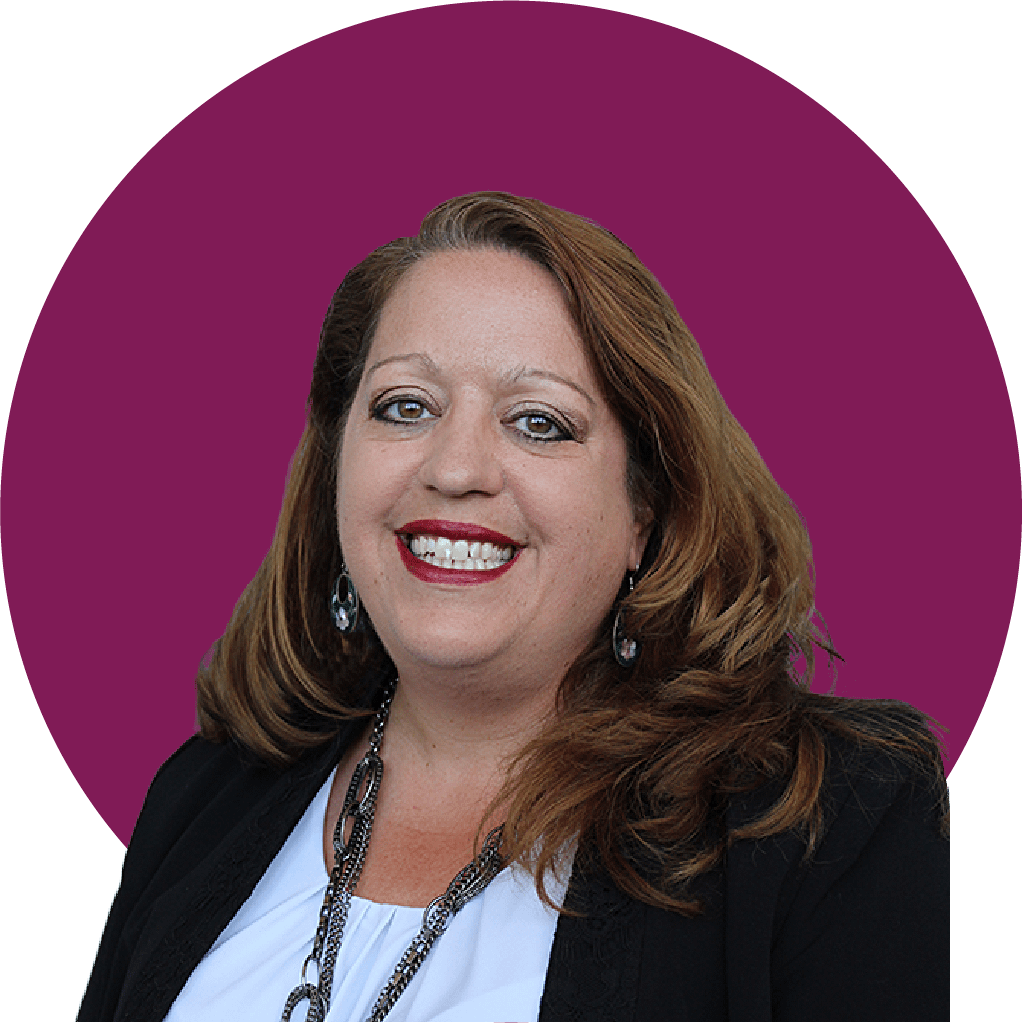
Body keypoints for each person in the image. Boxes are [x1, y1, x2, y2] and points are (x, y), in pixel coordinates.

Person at [76, 192, 950, 1022]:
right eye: (405, 406)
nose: (455, 469)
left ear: (645, 511)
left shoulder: (825, 818)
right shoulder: (204, 791)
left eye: (538, 422)